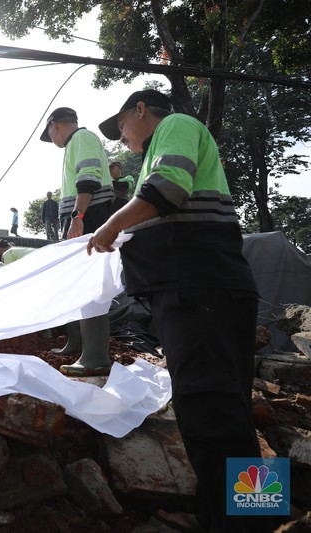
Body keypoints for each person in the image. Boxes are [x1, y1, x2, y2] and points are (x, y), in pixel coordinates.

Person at [90, 89, 271, 532]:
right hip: (203, 288)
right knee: (225, 408)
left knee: (210, 405)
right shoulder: (163, 149)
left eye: (122, 128)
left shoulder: (177, 126)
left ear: (140, 110)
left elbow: (168, 188)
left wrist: (111, 225)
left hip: (199, 288)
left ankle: (244, 524)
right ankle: (247, 513)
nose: (123, 139)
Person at [40, 107, 114, 376]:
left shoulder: (82, 139)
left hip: (89, 216)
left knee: (89, 284)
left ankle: (94, 355)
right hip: (80, 217)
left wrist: (78, 216)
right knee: (75, 283)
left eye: (51, 134)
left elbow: (88, 178)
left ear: (54, 126)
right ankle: (77, 343)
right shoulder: (74, 144)